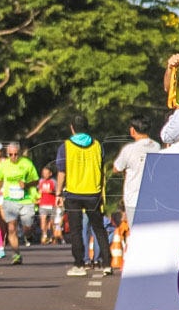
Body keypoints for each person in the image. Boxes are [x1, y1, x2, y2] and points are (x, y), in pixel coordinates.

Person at [56, 113, 111, 277]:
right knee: (99, 228)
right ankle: (107, 263)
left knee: (76, 230)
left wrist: (58, 193)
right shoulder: (97, 145)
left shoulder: (65, 146)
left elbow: (61, 172)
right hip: (93, 192)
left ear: (72, 128)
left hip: (73, 193)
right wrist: (101, 191)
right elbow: (102, 171)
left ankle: (79, 264)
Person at [111, 114, 161, 221]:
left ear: (132, 130)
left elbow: (116, 169)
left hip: (133, 199)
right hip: (153, 198)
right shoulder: (157, 146)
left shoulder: (129, 149)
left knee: (134, 232)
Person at [0, 141, 38, 265]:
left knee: (27, 227)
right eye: (10, 154)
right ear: (7, 154)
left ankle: (28, 235)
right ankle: (16, 255)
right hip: (10, 200)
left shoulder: (27, 164)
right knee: (12, 228)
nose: (13, 157)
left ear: (19, 153)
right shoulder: (3, 166)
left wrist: (27, 185)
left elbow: (36, 180)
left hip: (26, 200)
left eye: (15, 154)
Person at [36, 167, 57, 244]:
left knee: (52, 222)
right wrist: (39, 193)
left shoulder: (53, 181)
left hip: (52, 204)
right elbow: (37, 191)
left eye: (47, 173)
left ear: (50, 173)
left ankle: (53, 236)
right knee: (43, 221)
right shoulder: (40, 181)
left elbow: (58, 191)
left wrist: (52, 191)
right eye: (44, 173)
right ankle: (44, 236)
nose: (45, 175)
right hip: (43, 204)